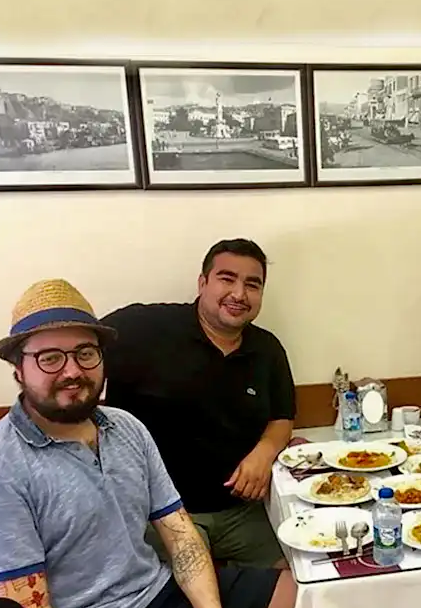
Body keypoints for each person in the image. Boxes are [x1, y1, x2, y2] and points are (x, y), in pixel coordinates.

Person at [0, 279, 295, 608]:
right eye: (50, 358)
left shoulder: (126, 428)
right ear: (19, 369)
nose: (73, 371)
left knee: (302, 600)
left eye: (85, 353)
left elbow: (179, 533)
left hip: (152, 599)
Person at [101, 239, 294, 570]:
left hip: (243, 513)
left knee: (302, 572)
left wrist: (264, 453)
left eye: (252, 284)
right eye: (227, 279)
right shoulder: (144, 329)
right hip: (165, 513)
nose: (239, 294)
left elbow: (282, 416)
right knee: (199, 590)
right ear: (202, 283)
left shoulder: (267, 349)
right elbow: (79, 350)